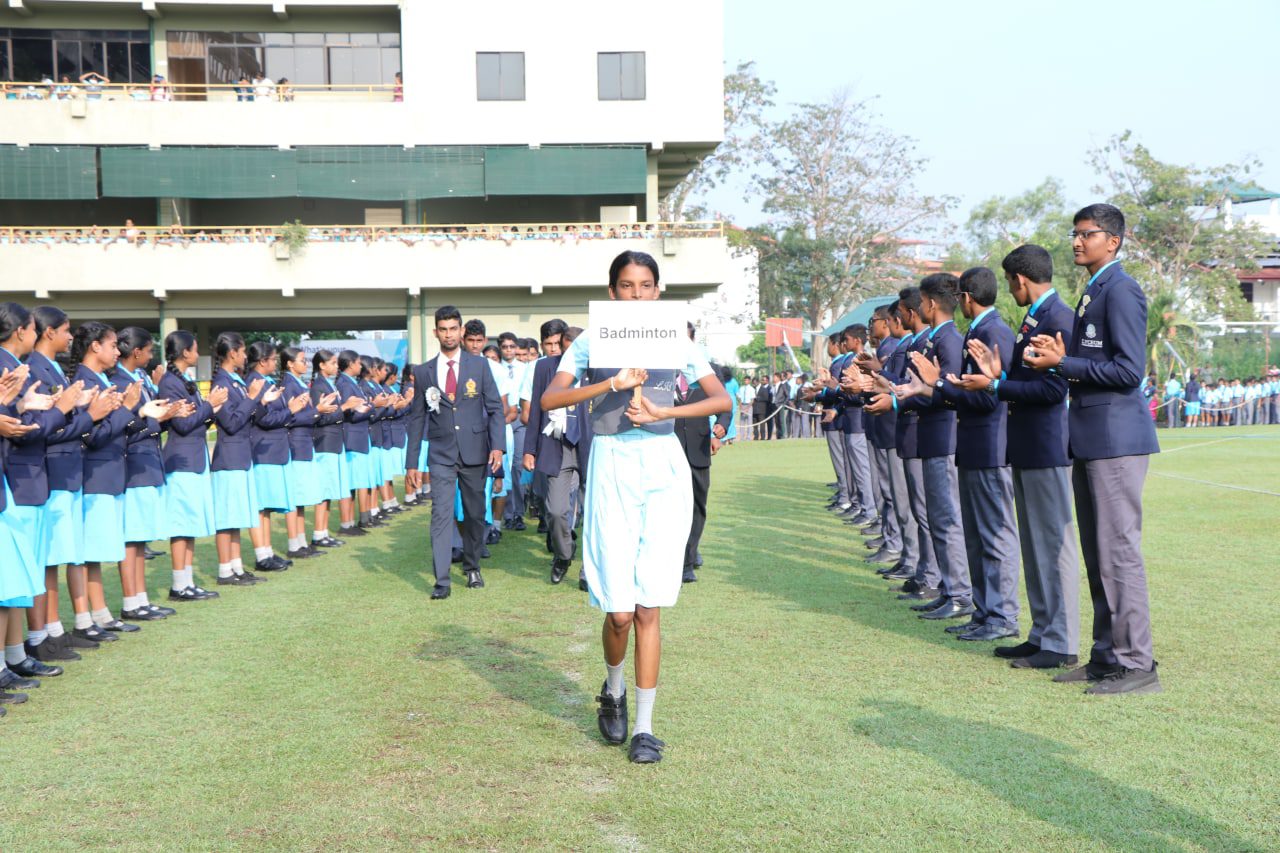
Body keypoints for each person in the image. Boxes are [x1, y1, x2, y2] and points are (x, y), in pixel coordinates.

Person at [540, 250, 731, 764]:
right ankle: (613, 687)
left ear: (657, 291)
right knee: (619, 612)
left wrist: (664, 410)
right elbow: (550, 402)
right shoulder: (589, 340)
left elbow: (720, 400)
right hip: (613, 467)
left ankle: (645, 726)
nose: (637, 294)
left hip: (663, 466)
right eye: (627, 285)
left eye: (646, 285)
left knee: (650, 606)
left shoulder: (678, 337)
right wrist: (610, 384)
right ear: (612, 291)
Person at [1024, 203, 1161, 695]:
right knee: (1099, 553)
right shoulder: (1094, 289)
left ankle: (1136, 664)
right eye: (1075, 233)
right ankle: (1106, 657)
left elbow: (1129, 372)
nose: (1077, 242)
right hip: (1090, 439)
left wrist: (1066, 364)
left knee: (1119, 553)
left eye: (1087, 234)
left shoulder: (1122, 289)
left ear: (1114, 240)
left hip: (1116, 441)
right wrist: (1058, 362)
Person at [964, 244, 1081, 669]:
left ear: (1019, 280)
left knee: (1053, 547)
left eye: (1011, 282)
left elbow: (1054, 389)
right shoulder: (1036, 318)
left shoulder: (1058, 317)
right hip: (1029, 446)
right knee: (1034, 548)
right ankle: (1042, 633)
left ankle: (1062, 642)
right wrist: (1000, 377)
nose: (1011, 289)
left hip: (1049, 447)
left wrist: (996, 387)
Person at [923, 267, 1020, 642]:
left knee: (996, 535)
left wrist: (942, 386)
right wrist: (949, 386)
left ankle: (1003, 615)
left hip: (992, 445)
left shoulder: (993, 331)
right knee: (977, 537)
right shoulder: (977, 331)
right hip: (974, 444)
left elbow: (989, 393)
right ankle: (984, 611)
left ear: (965, 297)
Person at [404, 307, 505, 599]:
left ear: (461, 331)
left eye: (453, 328)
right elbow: (417, 418)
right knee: (441, 515)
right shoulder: (423, 371)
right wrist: (412, 462)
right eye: (443, 329)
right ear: (436, 332)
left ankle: (472, 566)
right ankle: (442, 580)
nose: (448, 334)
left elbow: (495, 409)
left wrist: (497, 446)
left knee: (475, 514)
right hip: (441, 455)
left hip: (476, 453)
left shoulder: (480, 366)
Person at [113, 328, 187, 621]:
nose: (152, 355)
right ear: (137, 352)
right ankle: (131, 601)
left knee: (141, 537)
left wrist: (165, 417)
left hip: (148, 460)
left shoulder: (139, 380)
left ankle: (141, 599)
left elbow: (146, 421)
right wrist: (151, 418)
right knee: (132, 537)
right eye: (149, 349)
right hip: (133, 464)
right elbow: (125, 425)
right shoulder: (119, 381)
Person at [158, 331, 227, 599]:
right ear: (185, 352)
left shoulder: (184, 380)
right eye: (195, 349)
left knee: (192, 523)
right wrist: (209, 405)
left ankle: (187, 582)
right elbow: (183, 424)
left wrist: (211, 411)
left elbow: (198, 421)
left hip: (195, 458)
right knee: (181, 524)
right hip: (181, 459)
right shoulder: (169, 383)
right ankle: (179, 584)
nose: (198, 354)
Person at [210, 332, 280, 585]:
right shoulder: (222, 382)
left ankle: (236, 568)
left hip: (242, 455)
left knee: (238, 515)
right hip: (229, 456)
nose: (244, 357)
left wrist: (260, 400)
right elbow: (231, 422)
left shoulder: (236, 380)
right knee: (226, 517)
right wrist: (253, 397)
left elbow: (249, 415)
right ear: (232, 354)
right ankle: (224, 570)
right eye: (241, 352)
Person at [523, 325, 590, 587]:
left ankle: (589, 570)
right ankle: (563, 554)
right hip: (555, 445)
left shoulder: (597, 368)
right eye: (566, 346)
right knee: (555, 510)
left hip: (590, 445)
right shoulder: (545, 368)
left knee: (593, 512)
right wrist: (530, 449)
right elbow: (537, 409)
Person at [673, 326, 731, 584]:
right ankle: (677, 558)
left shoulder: (707, 371)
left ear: (692, 340)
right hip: (666, 448)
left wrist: (720, 429)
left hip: (698, 447)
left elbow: (724, 405)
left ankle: (688, 559)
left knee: (697, 506)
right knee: (670, 507)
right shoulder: (656, 370)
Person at [307, 350, 351, 545]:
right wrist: (345, 407)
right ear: (322, 365)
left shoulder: (329, 384)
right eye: (332, 363)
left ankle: (324, 532)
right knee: (324, 490)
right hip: (324, 442)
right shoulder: (318, 387)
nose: (336, 366)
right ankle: (318, 533)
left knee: (330, 489)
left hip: (334, 442)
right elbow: (321, 417)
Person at [735, 374, 755, 442]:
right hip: (742, 405)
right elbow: (739, 397)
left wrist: (747, 408)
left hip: (748, 405)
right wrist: (740, 406)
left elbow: (752, 400)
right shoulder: (741, 388)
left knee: (749, 422)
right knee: (742, 422)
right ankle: (742, 437)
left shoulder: (751, 389)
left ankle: (748, 437)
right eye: (745, 380)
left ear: (749, 381)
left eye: (747, 380)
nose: (745, 381)